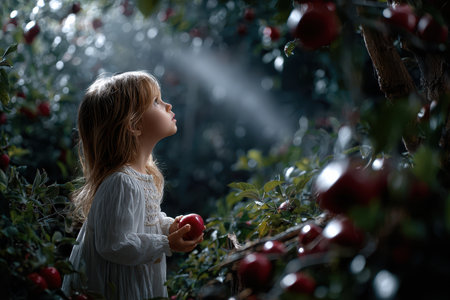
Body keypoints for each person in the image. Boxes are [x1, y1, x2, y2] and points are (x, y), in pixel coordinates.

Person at [62, 71, 203, 299]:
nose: (167, 105)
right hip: (116, 287)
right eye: (156, 101)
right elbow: (114, 244)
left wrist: (169, 227)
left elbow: (144, 223)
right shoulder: (120, 182)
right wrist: (165, 243)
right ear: (134, 125)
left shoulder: (139, 176)